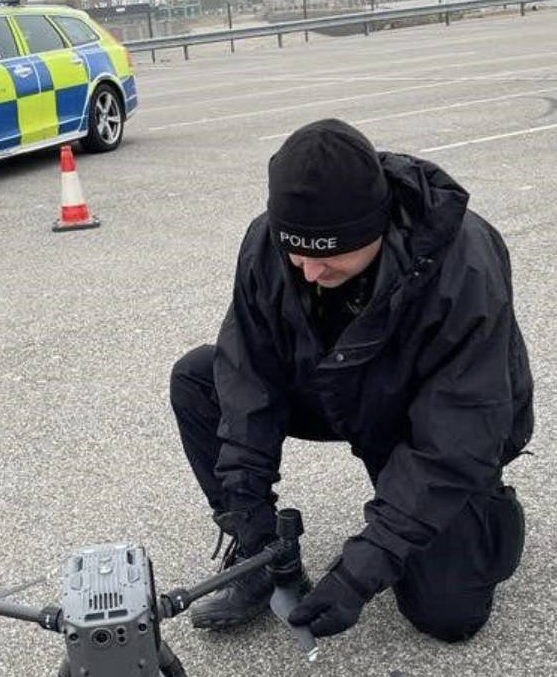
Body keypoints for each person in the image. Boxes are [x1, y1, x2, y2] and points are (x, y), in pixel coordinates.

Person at [169, 118, 533, 641]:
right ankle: (261, 558)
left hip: (424, 420)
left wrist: (361, 571)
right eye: (296, 254)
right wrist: (248, 508)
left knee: (448, 616)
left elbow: (460, 430)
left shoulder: (463, 265)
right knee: (197, 377)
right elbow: (248, 375)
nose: (309, 272)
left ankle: (484, 512)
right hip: (335, 387)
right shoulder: (269, 246)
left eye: (327, 257)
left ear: (376, 229)